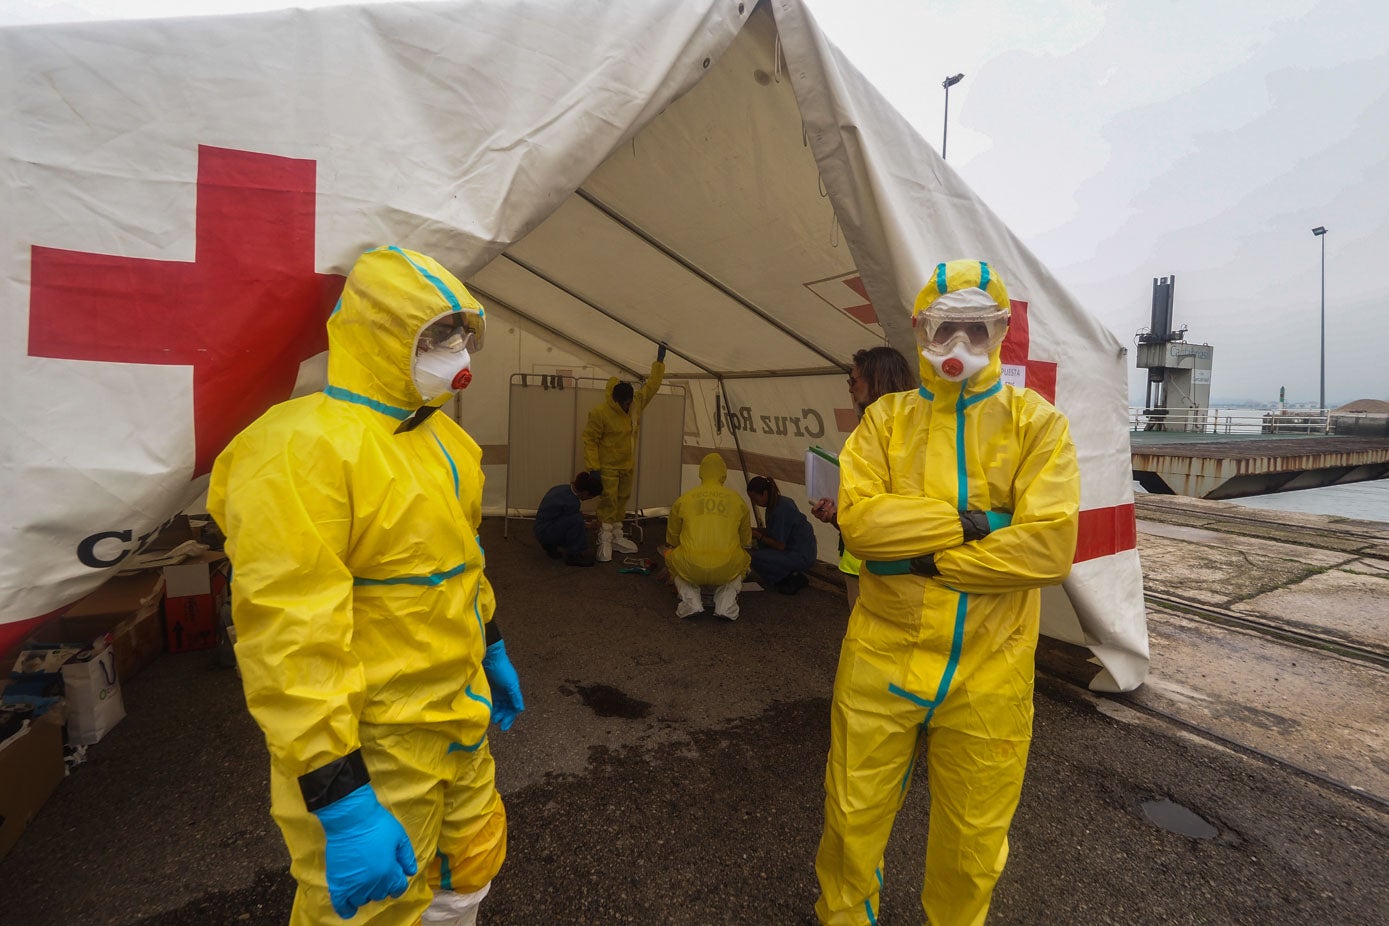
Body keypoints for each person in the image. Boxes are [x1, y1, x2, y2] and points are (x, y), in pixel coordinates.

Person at [208, 246, 523, 926]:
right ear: (378, 332)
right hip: (374, 748)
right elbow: (289, 635)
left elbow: (464, 565)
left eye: (462, 335)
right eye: (437, 334)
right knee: (373, 909)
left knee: (469, 869)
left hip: (460, 722)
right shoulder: (299, 450)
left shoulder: (448, 444)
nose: (456, 354)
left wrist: (490, 647)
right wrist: (339, 797)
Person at [811, 260, 1079, 926]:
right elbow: (863, 526)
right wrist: (983, 524)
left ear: (997, 332)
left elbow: (1048, 548)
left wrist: (925, 558)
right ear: (920, 332)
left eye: (975, 330)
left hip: (990, 668)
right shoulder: (884, 423)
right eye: (943, 330)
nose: (957, 347)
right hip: (881, 654)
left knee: (973, 836)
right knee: (851, 812)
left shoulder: (1036, 425)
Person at [809, 346, 915, 608]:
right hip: (867, 561)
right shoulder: (902, 429)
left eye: (853, 380)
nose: (849, 388)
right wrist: (836, 515)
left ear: (876, 380)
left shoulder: (898, 436)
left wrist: (840, 517)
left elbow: (883, 513)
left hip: (879, 566)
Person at [582, 345, 667, 562]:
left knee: (622, 500)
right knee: (608, 502)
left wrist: (659, 364)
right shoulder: (601, 413)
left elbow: (652, 387)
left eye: (631, 401)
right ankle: (605, 539)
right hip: (608, 467)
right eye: (626, 403)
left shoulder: (637, 403)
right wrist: (594, 467)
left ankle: (617, 536)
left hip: (627, 465)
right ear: (617, 400)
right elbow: (590, 439)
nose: (629, 405)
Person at [663, 453, 752, 620]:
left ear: (701, 473)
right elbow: (746, 540)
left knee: (671, 557)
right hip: (727, 566)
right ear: (723, 474)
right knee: (744, 560)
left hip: (691, 565)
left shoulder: (684, 499)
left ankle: (691, 601)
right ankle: (726, 605)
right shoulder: (737, 500)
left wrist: (675, 549)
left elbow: (672, 538)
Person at [746, 475, 817, 595]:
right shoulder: (777, 503)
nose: (754, 503)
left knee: (756, 558)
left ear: (764, 493)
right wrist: (754, 530)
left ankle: (789, 578)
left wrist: (758, 535)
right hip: (797, 549)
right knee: (762, 545)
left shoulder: (782, 509)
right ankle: (789, 574)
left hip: (801, 554)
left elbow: (780, 545)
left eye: (755, 499)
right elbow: (773, 531)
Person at [533, 471, 600, 567]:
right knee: (577, 522)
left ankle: (550, 546)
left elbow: (565, 514)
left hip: (541, 529)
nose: (590, 498)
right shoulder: (572, 502)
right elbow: (576, 521)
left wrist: (590, 516)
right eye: (591, 496)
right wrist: (592, 525)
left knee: (575, 519)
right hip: (547, 533)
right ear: (585, 492)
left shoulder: (561, 489)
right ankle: (573, 555)